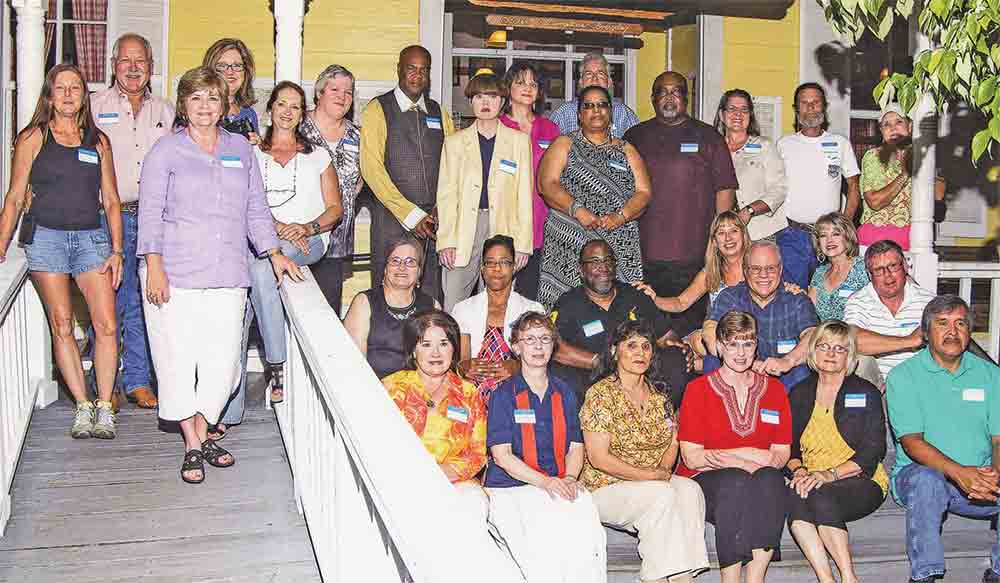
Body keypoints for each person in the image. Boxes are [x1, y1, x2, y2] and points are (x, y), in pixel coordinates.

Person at [137, 66, 302, 484]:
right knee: (177, 361)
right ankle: (194, 442)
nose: (205, 106)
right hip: (172, 272)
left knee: (224, 363)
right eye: (196, 98)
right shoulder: (166, 151)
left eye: (212, 98)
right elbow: (151, 212)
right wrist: (153, 263)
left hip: (227, 272)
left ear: (225, 103)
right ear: (184, 104)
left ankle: (204, 423)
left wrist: (274, 252)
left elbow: (255, 208)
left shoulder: (241, 150)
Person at [0, 64, 124, 439]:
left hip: (91, 240)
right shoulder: (33, 138)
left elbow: (113, 200)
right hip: (47, 240)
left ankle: (105, 406)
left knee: (106, 324)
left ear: (85, 95)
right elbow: (15, 196)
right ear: (49, 95)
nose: (69, 94)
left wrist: (117, 250)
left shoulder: (98, 141)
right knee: (62, 323)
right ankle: (82, 406)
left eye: (76, 88)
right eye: (61, 88)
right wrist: (1, 246)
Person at [580, 320, 708, 583]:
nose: (640, 353)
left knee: (690, 490)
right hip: (606, 486)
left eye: (647, 347)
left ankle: (684, 574)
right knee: (660, 495)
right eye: (632, 346)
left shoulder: (660, 396)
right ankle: (661, 577)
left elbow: (672, 442)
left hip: (651, 482)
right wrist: (649, 476)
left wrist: (662, 471)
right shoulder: (601, 394)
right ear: (616, 351)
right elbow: (597, 457)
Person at [87, 33, 174, 410]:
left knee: (144, 302)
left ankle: (137, 380)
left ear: (151, 67)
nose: (133, 67)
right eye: (126, 60)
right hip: (107, 217)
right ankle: (106, 383)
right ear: (113, 64)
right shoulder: (93, 107)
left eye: (141, 61)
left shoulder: (167, 112)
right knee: (106, 301)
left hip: (154, 218)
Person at [485, 311, 606, 583]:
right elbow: (502, 456)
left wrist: (570, 479)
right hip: (512, 487)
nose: (538, 346)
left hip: (558, 482)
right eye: (529, 340)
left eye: (544, 339)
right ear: (516, 347)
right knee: (543, 539)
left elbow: (576, 446)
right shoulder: (504, 395)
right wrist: (546, 483)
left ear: (553, 346)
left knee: (585, 521)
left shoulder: (565, 392)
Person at [887, 295, 1000, 583]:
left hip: (981, 478)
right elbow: (912, 442)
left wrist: (994, 475)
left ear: (969, 332)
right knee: (928, 480)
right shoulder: (904, 376)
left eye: (960, 323)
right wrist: (960, 473)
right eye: (942, 323)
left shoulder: (989, 374)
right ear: (926, 333)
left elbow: (998, 439)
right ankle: (925, 574)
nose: (953, 331)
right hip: (922, 478)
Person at [677, 311, 791, 583]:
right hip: (707, 484)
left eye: (747, 344)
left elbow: (782, 454)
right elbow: (692, 458)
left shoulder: (774, 390)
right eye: (732, 344)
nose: (740, 353)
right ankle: (730, 579)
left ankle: (755, 578)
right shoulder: (697, 389)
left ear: (756, 346)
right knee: (736, 481)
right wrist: (747, 457)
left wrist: (726, 456)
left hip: (756, 479)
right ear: (719, 346)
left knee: (771, 479)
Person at [249, 81, 343, 403]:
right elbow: (246, 204)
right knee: (257, 275)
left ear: (302, 114)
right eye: (281, 105)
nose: (287, 112)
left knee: (261, 271)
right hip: (265, 237)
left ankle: (276, 364)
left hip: (309, 241)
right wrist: (276, 227)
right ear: (270, 109)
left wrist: (305, 227)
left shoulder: (317, 155)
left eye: (295, 106)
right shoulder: (252, 154)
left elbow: (335, 209)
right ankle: (230, 406)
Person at [624, 72, 738, 337]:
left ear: (686, 98)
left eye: (676, 91)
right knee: (648, 333)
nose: (669, 97)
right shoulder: (636, 136)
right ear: (653, 98)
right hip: (645, 256)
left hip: (695, 256)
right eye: (662, 91)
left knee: (692, 333)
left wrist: (718, 243)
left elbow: (725, 190)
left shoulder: (708, 137)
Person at [785, 320, 887, 583]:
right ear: (813, 351)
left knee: (819, 494)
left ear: (850, 356)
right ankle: (826, 579)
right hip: (812, 476)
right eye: (824, 346)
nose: (830, 354)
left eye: (840, 349)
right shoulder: (799, 393)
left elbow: (874, 450)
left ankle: (849, 576)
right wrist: (799, 471)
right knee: (797, 494)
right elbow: (790, 446)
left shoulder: (866, 392)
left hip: (860, 479)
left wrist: (829, 474)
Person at [537, 85, 652, 307]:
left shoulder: (627, 149)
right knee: (566, 309)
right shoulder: (564, 143)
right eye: (588, 106)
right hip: (570, 240)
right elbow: (546, 184)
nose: (596, 110)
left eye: (601, 105)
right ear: (579, 115)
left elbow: (644, 192)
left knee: (623, 309)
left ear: (610, 112)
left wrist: (621, 216)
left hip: (619, 241)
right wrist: (577, 210)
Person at [361, 45, 455, 304]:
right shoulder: (378, 109)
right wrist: (412, 216)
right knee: (391, 296)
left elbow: (453, 166)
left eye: (424, 70)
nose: (418, 75)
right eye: (411, 68)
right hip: (392, 221)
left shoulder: (440, 113)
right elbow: (372, 170)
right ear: (399, 70)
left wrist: (440, 208)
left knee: (429, 297)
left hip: (434, 224)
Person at [549, 240, 688, 408]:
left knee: (675, 357)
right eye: (595, 262)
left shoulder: (635, 295)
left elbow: (666, 336)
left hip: (640, 374)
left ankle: (656, 418)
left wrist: (679, 346)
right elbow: (554, 347)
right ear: (581, 270)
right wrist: (600, 361)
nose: (603, 267)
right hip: (593, 378)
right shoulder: (568, 303)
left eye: (608, 261)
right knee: (560, 374)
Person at [437, 71, 533, 311]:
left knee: (497, 303)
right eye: (479, 97)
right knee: (453, 303)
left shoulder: (519, 142)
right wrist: (446, 240)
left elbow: (524, 195)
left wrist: (522, 244)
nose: (486, 103)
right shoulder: (454, 142)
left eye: (492, 96)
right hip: (462, 229)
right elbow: (446, 195)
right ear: (471, 101)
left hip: (503, 228)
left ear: (502, 101)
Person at [382, 309, 488, 520]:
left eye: (443, 344)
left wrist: (438, 475)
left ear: (454, 349)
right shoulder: (391, 388)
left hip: (453, 481)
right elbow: (379, 444)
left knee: (473, 503)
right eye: (426, 344)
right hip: (401, 481)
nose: (436, 353)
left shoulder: (469, 393)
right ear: (413, 350)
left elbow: (477, 454)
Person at [633, 210, 750, 362]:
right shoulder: (711, 272)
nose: (728, 238)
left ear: (743, 234)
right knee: (679, 354)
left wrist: (790, 288)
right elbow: (681, 302)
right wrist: (655, 298)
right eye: (721, 233)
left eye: (734, 231)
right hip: (715, 336)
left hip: (749, 335)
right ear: (714, 241)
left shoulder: (757, 266)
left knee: (699, 347)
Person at [704, 240, 819, 389]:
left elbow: (812, 334)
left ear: (781, 269)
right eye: (756, 269)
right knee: (712, 361)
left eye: (770, 268)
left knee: (802, 371)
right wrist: (747, 362)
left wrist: (787, 362)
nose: (763, 275)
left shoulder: (797, 300)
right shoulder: (730, 297)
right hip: (739, 371)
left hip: (784, 377)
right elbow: (709, 331)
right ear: (745, 271)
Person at [777, 82, 861, 286]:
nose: (810, 108)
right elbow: (774, 189)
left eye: (815, 102)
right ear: (796, 109)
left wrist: (844, 227)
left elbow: (853, 187)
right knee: (792, 295)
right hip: (792, 236)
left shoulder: (840, 143)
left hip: (830, 238)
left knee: (829, 294)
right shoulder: (784, 144)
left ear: (824, 107)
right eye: (804, 103)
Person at [301, 64, 362, 315]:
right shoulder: (298, 128)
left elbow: (359, 183)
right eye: (334, 89)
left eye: (348, 92)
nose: (342, 96)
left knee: (327, 315)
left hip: (336, 244)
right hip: (300, 239)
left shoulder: (357, 136)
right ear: (319, 92)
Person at [451, 235, 543, 399]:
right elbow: (461, 362)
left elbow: (540, 358)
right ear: (482, 268)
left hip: (519, 393)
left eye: (504, 262)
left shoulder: (532, 309)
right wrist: (465, 367)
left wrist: (518, 367)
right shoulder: (462, 309)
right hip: (473, 395)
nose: (497, 269)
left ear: (514, 267)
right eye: (490, 263)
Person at [500, 63, 560, 301]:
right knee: (500, 294)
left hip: (542, 223)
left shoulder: (550, 129)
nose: (528, 88)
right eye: (521, 82)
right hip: (505, 222)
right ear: (508, 88)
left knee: (532, 296)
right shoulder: (497, 126)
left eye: (533, 84)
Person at [343, 236, 439, 380]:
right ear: (385, 269)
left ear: (419, 271)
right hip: (375, 390)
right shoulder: (364, 303)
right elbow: (355, 364)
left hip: (419, 393)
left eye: (410, 262)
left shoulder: (432, 306)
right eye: (395, 261)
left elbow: (439, 361)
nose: (402, 267)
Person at [843, 239, 933, 388]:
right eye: (878, 270)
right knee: (860, 360)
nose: (888, 275)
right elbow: (852, 340)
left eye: (893, 266)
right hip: (877, 387)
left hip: (919, 383)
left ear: (905, 266)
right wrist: (910, 341)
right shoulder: (858, 301)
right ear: (869, 275)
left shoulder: (928, 302)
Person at [547, 52, 639, 139]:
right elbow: (547, 149)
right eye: (588, 74)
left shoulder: (624, 114)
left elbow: (638, 148)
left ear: (609, 82)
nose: (594, 79)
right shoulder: (564, 113)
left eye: (601, 74)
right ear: (580, 82)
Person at [859, 103, 914, 249]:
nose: (893, 128)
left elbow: (938, 198)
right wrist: (905, 174)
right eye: (886, 125)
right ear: (881, 132)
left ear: (910, 126)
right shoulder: (874, 157)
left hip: (914, 243)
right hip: (876, 242)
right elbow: (875, 202)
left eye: (899, 122)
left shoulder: (922, 157)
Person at [808, 212, 868, 322]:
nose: (829, 240)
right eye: (823, 235)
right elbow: (808, 312)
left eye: (836, 234)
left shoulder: (864, 267)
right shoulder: (819, 273)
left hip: (859, 335)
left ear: (848, 237)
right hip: (826, 335)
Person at [202, 38, 259, 141]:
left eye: (237, 66)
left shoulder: (248, 114)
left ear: (246, 72)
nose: (230, 72)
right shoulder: (201, 110)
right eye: (222, 66)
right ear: (211, 72)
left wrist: (257, 147)